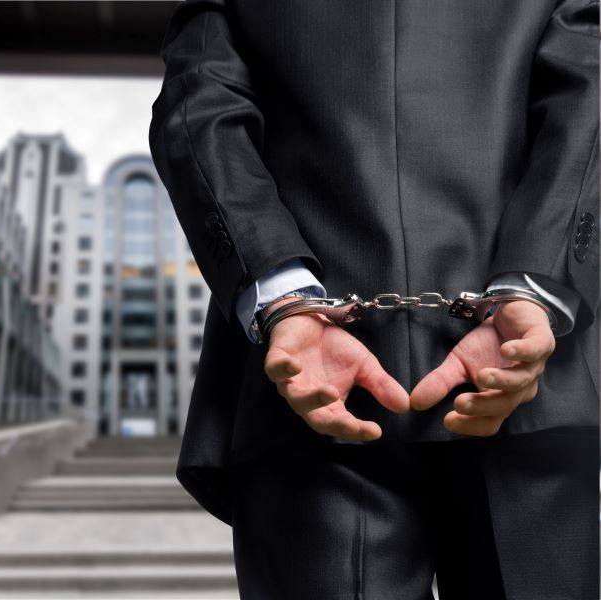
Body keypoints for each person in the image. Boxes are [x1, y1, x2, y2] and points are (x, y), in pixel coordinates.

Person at [148, 0, 600, 598]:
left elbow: (197, 104)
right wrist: (535, 288)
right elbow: (588, 100)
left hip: (307, 386)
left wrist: (281, 296)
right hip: (522, 377)